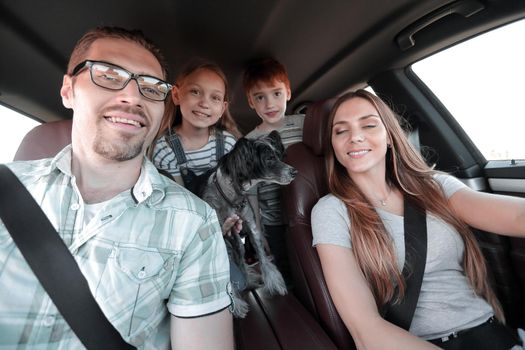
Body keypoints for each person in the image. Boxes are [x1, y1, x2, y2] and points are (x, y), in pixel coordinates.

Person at [0, 27, 234, 349]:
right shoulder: (7, 189)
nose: (133, 96)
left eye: (151, 87)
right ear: (68, 91)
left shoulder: (194, 224)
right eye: (109, 75)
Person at [311, 89, 525, 349]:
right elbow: (366, 331)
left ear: (389, 136)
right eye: (340, 131)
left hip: (491, 332)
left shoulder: (435, 187)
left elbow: (517, 216)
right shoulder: (332, 211)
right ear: (333, 144)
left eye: (368, 125)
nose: (355, 137)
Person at [151, 59, 242, 236]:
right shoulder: (165, 149)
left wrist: (231, 220)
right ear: (176, 95)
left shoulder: (229, 145)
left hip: (226, 217)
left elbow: (235, 192)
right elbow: (179, 203)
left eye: (214, 97)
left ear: (223, 108)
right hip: (188, 225)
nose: (204, 103)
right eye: (195, 92)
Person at [242, 58, 304, 284]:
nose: (270, 104)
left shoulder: (303, 124)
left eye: (276, 93)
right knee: (287, 271)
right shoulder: (249, 142)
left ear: (288, 92)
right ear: (251, 101)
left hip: (310, 211)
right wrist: (258, 230)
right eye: (260, 97)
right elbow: (251, 193)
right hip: (274, 221)